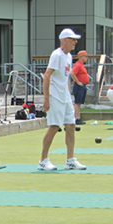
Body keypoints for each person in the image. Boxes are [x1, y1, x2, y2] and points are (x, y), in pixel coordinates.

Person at [38, 28, 86, 171]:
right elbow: (47, 75)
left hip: (65, 98)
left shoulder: (69, 56)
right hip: (55, 97)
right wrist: (46, 98)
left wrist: (68, 95)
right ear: (65, 40)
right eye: (73, 39)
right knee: (54, 127)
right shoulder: (56, 55)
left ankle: (70, 160)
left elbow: (65, 77)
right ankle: (43, 161)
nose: (75, 42)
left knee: (71, 125)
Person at [70, 50, 89, 125]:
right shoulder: (78, 65)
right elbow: (72, 73)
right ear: (81, 57)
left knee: (79, 102)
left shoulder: (81, 65)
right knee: (77, 102)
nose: (86, 58)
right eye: (85, 56)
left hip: (82, 85)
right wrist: (78, 81)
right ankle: (76, 118)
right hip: (79, 86)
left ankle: (78, 117)